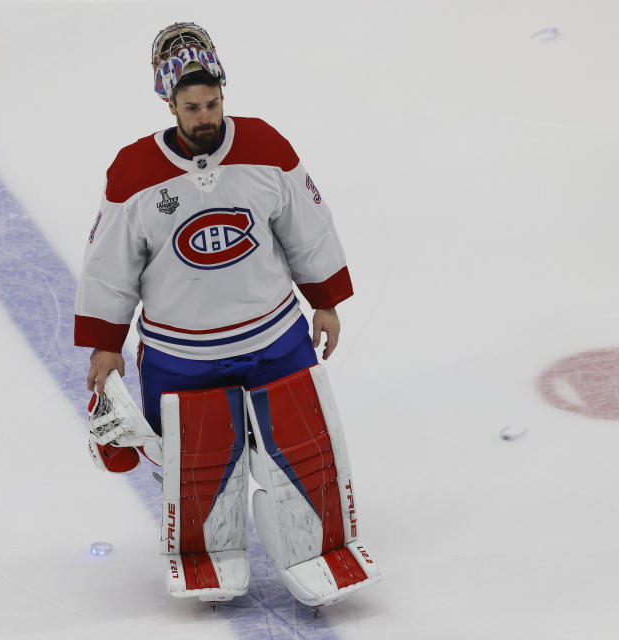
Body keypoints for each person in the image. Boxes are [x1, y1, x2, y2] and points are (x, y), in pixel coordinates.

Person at [75, 22, 380, 609]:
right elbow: (108, 267)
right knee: (199, 467)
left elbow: (307, 229)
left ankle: (317, 544)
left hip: (275, 336)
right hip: (180, 355)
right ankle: (207, 553)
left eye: (213, 102)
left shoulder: (266, 147)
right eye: (191, 107)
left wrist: (325, 300)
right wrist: (106, 344)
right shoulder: (134, 174)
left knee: (307, 447)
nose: (205, 116)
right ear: (169, 103)